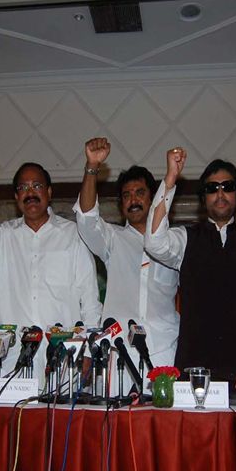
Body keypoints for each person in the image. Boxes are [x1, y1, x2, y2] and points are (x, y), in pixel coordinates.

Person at [144, 148, 236, 388]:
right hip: (191, 373)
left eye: (227, 186)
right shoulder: (187, 239)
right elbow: (154, 241)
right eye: (212, 188)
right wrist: (171, 178)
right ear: (203, 198)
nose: (220, 194)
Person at [0, 161, 101, 375]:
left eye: (36, 186)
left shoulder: (73, 234)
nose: (30, 193)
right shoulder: (5, 234)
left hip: (62, 356)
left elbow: (90, 298)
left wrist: (89, 350)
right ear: (16, 198)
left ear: (49, 192)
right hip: (11, 358)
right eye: (23, 188)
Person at [73, 137, 179, 371]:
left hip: (164, 350)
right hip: (120, 352)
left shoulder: (175, 244)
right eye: (126, 195)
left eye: (140, 193)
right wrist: (92, 167)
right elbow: (87, 220)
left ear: (153, 198)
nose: (133, 200)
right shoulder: (113, 238)